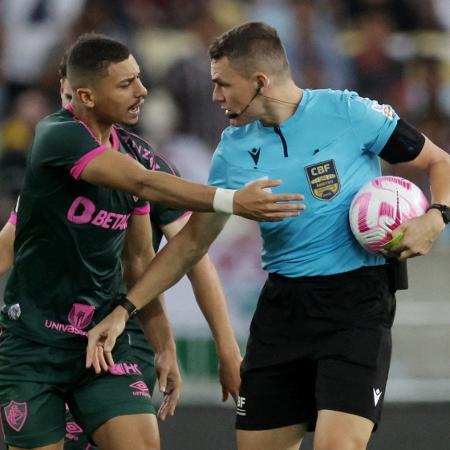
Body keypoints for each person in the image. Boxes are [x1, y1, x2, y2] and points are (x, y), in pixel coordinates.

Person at [86, 22, 450, 450]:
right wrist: (126, 308)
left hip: (357, 305)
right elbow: (190, 243)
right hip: (283, 308)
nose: (216, 97)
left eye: (223, 85)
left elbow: (440, 162)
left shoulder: (349, 113)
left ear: (260, 81)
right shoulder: (232, 150)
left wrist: (436, 216)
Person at [0, 32, 302, 450]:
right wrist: (232, 200)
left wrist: (188, 347)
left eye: (139, 78)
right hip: (34, 342)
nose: (142, 91)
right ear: (84, 95)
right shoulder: (56, 138)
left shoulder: (144, 157)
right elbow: (11, 242)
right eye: (126, 84)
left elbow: (170, 258)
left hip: (104, 340)